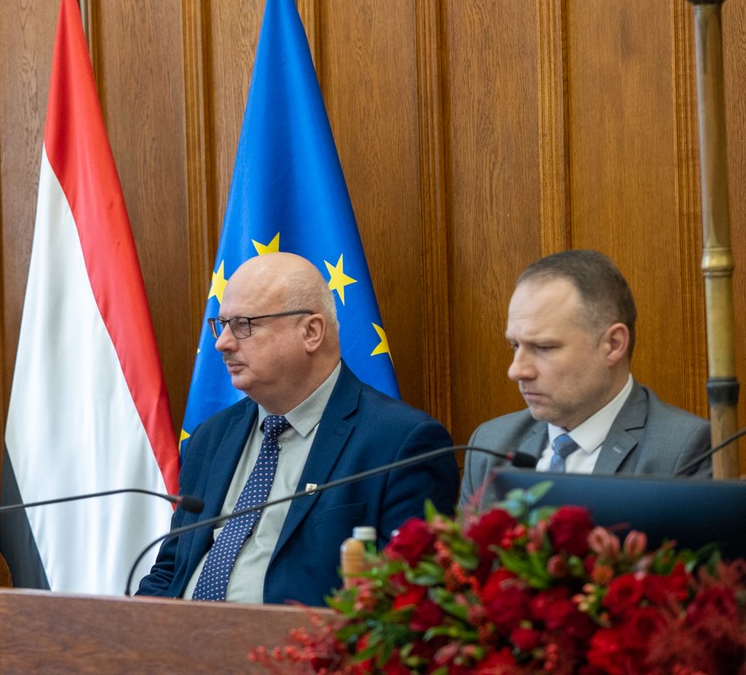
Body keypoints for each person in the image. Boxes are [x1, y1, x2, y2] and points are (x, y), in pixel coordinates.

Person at [136, 253, 458, 606]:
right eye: (223, 324)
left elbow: (402, 599)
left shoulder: (401, 443)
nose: (222, 342)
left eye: (243, 324)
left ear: (311, 332)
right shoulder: (210, 437)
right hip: (184, 635)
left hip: (294, 639)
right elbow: (171, 570)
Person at [459, 249, 711, 508]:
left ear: (613, 345)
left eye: (544, 347)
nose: (516, 371)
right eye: (515, 345)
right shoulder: (490, 444)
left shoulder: (682, 450)